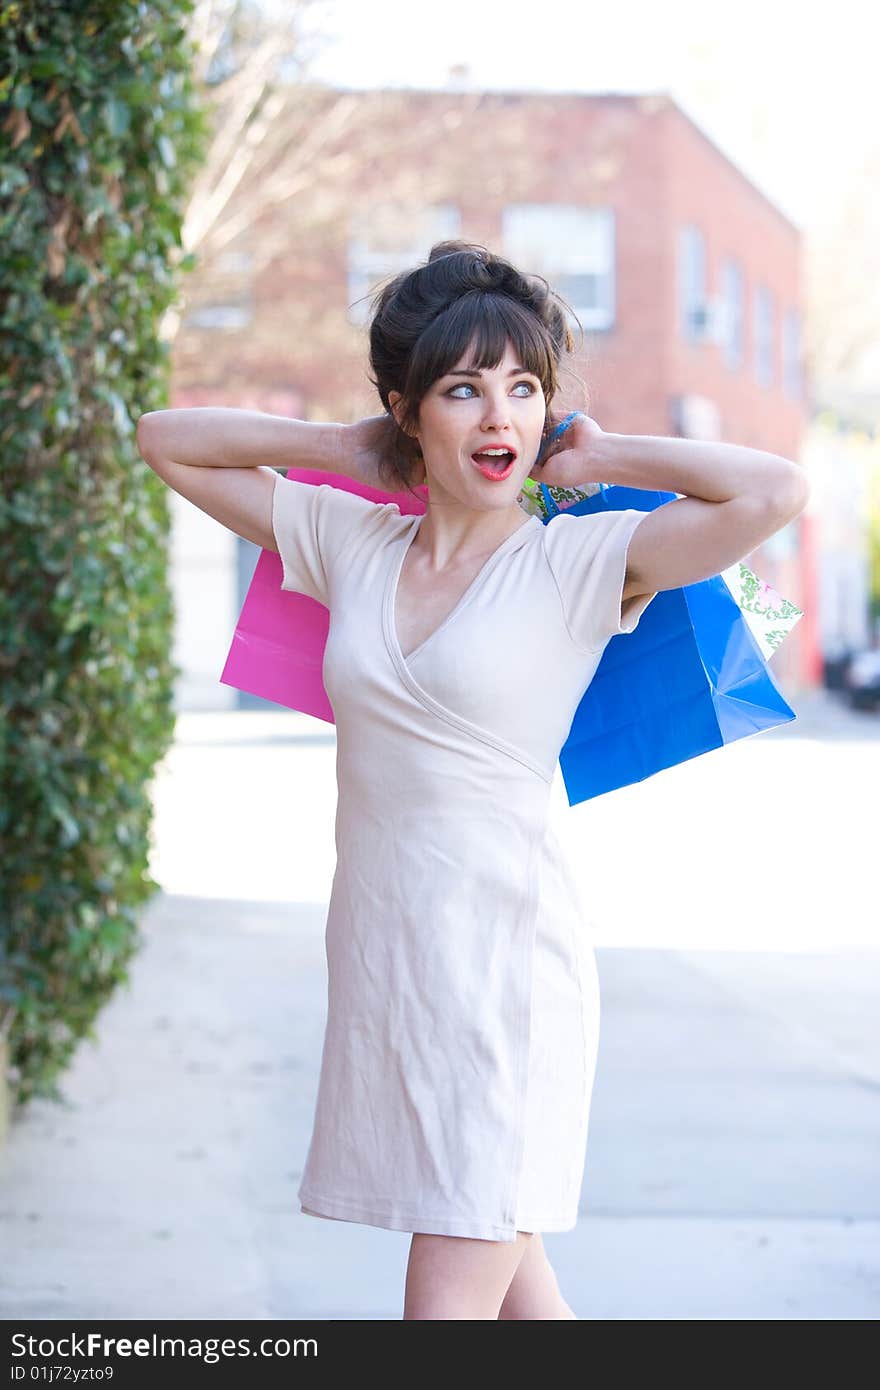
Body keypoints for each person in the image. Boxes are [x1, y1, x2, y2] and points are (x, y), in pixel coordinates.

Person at [136, 240, 809, 1319]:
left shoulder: (579, 561)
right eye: (463, 388)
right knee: (518, 1299)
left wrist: (603, 454)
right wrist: (339, 451)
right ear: (410, 410)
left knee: (442, 1305)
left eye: (524, 387)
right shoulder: (349, 539)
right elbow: (165, 441)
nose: (501, 416)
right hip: (389, 969)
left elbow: (773, 489)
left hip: (508, 984)